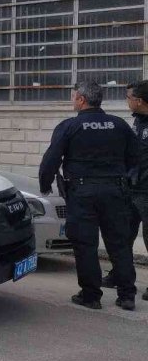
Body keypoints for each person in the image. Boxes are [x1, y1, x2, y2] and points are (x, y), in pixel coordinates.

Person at [39, 82, 138, 311]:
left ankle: (91, 296)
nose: (73, 100)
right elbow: (135, 158)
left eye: (74, 97)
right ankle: (126, 296)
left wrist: (45, 185)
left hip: (82, 193)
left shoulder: (70, 126)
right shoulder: (119, 124)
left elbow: (51, 160)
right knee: (120, 244)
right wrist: (127, 182)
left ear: (82, 99)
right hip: (115, 191)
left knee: (85, 244)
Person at [105, 80, 148, 296]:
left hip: (146, 192)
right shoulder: (137, 121)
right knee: (122, 236)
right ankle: (119, 274)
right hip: (131, 189)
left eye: (129, 97)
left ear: (139, 101)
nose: (127, 101)